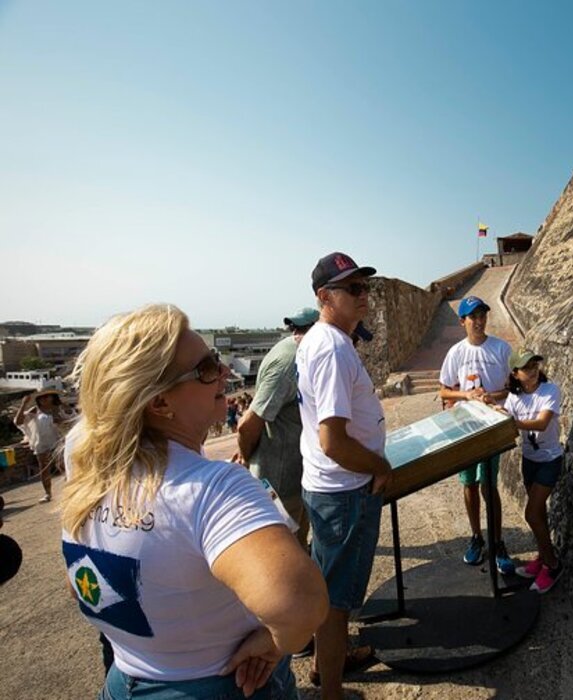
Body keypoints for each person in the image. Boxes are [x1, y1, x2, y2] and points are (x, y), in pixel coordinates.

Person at [60, 304, 327, 699]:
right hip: (224, 684)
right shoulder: (212, 489)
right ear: (159, 403)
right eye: (205, 369)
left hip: (124, 682)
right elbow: (300, 604)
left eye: (216, 360)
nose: (223, 373)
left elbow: (82, 589)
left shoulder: (89, 477)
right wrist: (276, 644)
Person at [297, 252, 392, 700]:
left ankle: (324, 664)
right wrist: (379, 464)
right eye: (352, 289)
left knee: (328, 588)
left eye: (364, 287)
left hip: (328, 488)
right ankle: (331, 692)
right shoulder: (332, 347)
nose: (364, 297)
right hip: (345, 492)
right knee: (335, 604)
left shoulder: (321, 340)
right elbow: (333, 440)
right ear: (324, 296)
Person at [439, 296, 515, 573]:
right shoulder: (456, 353)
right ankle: (476, 538)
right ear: (463, 322)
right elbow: (444, 390)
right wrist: (467, 396)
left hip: (491, 427)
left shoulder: (501, 349)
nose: (479, 321)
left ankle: (497, 542)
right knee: (469, 483)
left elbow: (511, 388)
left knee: (489, 485)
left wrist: (489, 397)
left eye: (482, 315)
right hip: (465, 427)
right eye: (473, 317)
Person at [236, 307, 320, 550]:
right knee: (286, 552)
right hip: (279, 480)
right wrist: (246, 455)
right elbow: (248, 424)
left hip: (295, 475)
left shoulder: (297, 352)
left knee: (300, 545)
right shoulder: (288, 362)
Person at [502, 348, 564, 593]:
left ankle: (552, 565)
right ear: (516, 374)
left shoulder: (549, 390)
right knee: (539, 515)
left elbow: (542, 422)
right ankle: (542, 556)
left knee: (531, 513)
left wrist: (511, 422)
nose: (533, 371)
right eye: (527, 368)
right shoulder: (515, 398)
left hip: (549, 459)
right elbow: (505, 417)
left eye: (535, 365)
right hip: (529, 459)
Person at [14, 388, 65, 502]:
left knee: (62, 465)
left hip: (57, 441)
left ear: (52, 397)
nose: (44, 399)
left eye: (47, 396)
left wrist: (59, 418)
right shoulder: (35, 410)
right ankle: (48, 493)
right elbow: (18, 421)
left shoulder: (58, 408)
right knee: (44, 469)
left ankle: (68, 488)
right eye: (41, 397)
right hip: (41, 443)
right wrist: (23, 404)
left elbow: (68, 420)